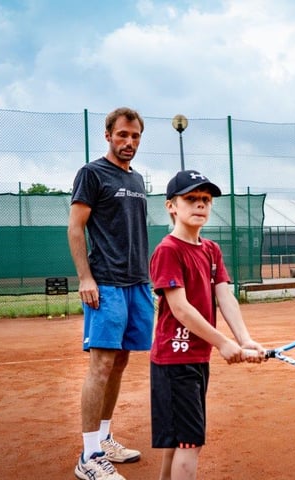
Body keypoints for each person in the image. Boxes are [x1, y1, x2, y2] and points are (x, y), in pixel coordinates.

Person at [149, 169, 265, 480]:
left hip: (196, 358)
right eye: (191, 199)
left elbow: (225, 297)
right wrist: (223, 342)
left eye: (206, 199)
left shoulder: (211, 250)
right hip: (176, 359)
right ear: (171, 206)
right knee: (190, 442)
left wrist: (244, 339)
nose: (200, 204)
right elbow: (181, 309)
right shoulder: (168, 251)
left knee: (179, 438)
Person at [68, 107, 154, 480]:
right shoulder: (91, 173)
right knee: (101, 363)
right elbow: (75, 229)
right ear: (108, 135)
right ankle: (88, 456)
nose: (129, 143)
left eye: (135, 137)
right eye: (122, 135)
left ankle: (104, 439)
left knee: (120, 362)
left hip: (137, 284)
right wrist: (86, 278)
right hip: (105, 283)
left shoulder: (136, 180)